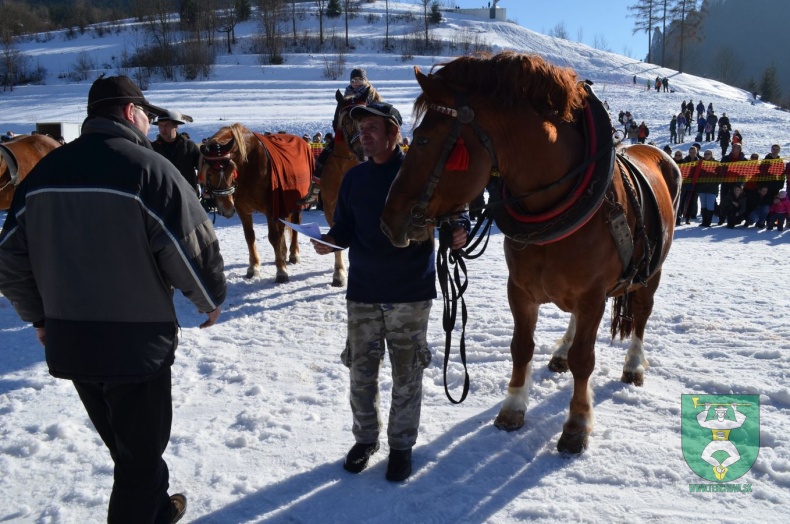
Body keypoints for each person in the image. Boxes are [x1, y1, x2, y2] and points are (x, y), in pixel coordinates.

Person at [0, 75, 227, 524]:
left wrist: (40, 318)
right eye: (146, 113)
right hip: (135, 348)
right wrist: (209, 298)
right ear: (129, 112)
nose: (149, 122)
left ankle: (158, 510)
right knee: (139, 462)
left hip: (71, 342)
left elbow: (8, 259)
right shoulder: (147, 169)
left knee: (128, 450)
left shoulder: (44, 172)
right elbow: (190, 246)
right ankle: (147, 508)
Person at [311, 101, 468, 482]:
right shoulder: (353, 178)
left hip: (410, 292)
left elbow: (454, 209)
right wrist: (332, 241)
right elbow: (346, 228)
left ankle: (401, 446)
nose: (363, 135)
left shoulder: (418, 173)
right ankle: (365, 439)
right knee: (360, 372)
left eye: (371, 128)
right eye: (360, 128)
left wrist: (458, 229)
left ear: (394, 133)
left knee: (407, 373)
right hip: (362, 291)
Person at [151, 110, 201, 197]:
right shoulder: (153, 148)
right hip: (163, 196)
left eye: (166, 125)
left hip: (188, 195)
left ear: (176, 126)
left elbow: (201, 166)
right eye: (160, 126)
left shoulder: (189, 146)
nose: (163, 129)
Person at [696, 149, 720, 227]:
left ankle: (708, 222)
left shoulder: (716, 163)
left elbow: (720, 175)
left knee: (710, 205)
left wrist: (716, 183)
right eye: (705, 154)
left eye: (708, 154)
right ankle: (704, 221)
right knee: (703, 205)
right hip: (702, 188)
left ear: (711, 155)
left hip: (712, 188)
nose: (706, 155)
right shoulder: (700, 163)